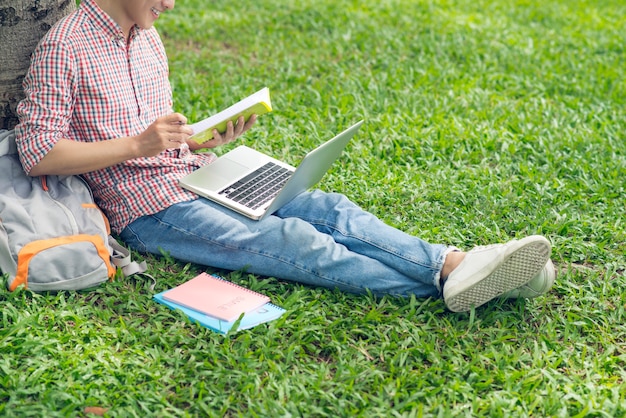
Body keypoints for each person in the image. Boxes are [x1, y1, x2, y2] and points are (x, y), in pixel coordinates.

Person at [15, 0, 554, 313]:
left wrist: (198, 139)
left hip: (192, 173)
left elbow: (153, 130)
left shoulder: (148, 37)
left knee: (329, 208)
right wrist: (139, 146)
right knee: (296, 243)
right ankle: (463, 283)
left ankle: (453, 266)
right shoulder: (67, 43)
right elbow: (38, 152)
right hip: (147, 210)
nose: (173, 3)